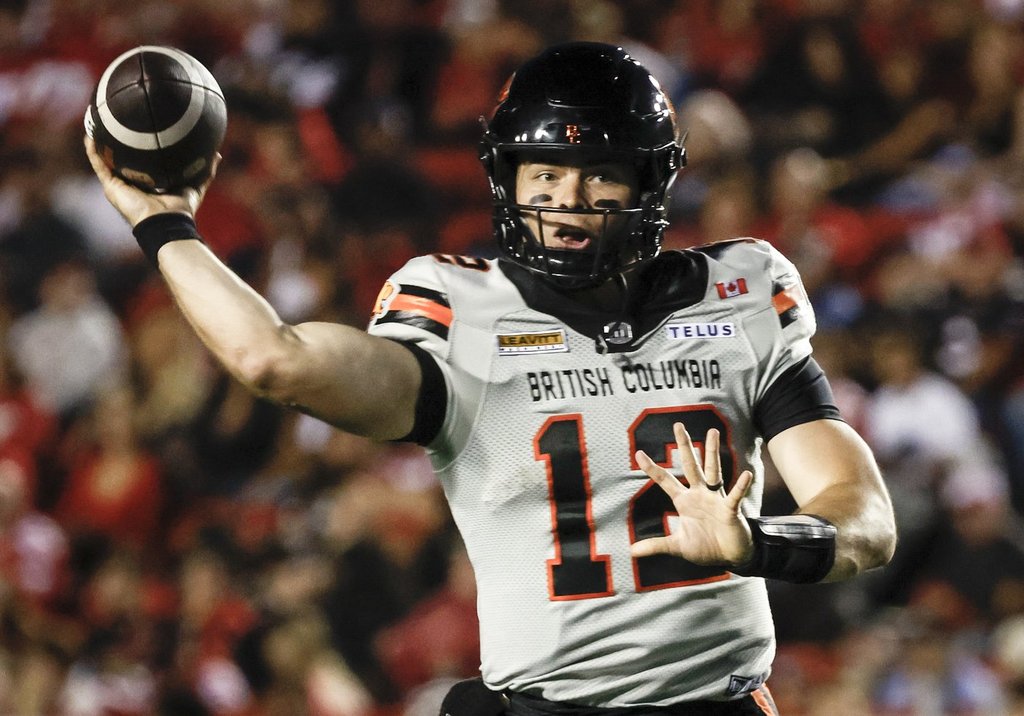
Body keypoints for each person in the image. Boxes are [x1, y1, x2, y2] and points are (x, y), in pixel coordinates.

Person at [85, 41, 896, 715]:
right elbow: (275, 359)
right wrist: (165, 223)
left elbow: (863, 518)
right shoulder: (458, 309)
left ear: (650, 180)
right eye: (541, 174)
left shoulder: (740, 291)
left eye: (596, 174)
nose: (565, 201)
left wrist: (754, 541)